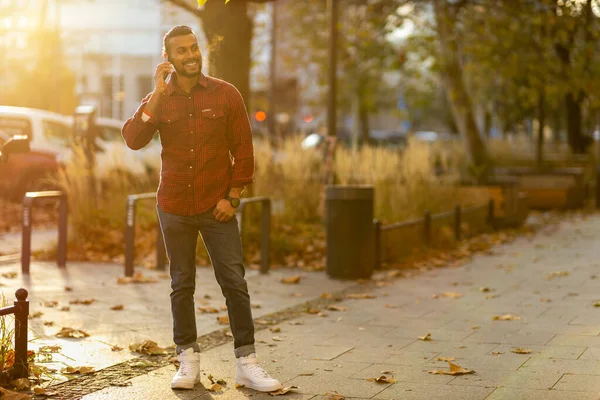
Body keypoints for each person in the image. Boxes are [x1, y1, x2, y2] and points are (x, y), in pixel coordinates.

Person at [122, 25, 282, 393]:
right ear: (169, 59)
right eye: (181, 51)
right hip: (174, 205)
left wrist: (233, 196)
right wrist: (158, 93)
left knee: (234, 282)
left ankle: (247, 362)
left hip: (217, 207)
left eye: (194, 48)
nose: (191, 55)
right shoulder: (158, 99)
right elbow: (133, 139)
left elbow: (243, 149)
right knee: (182, 284)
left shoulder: (226, 95)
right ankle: (187, 358)